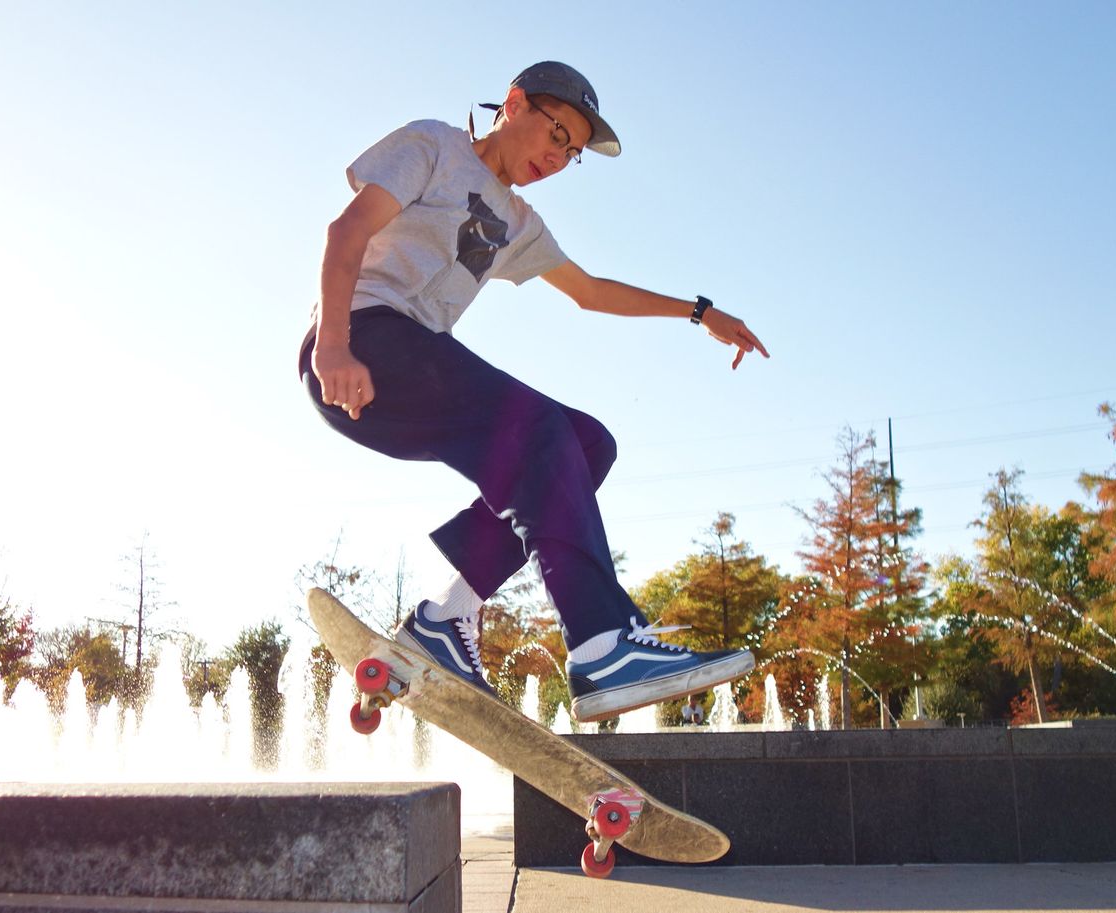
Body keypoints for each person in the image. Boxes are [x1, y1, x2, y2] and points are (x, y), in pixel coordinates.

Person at [300, 62, 769, 723]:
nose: (557, 157)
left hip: (416, 375)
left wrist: (698, 312)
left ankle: (446, 619)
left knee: (584, 445)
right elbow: (346, 231)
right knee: (543, 427)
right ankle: (604, 642)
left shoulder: (519, 222)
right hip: (366, 344)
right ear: (513, 104)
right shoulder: (435, 146)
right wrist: (334, 342)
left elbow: (591, 292)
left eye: (571, 153)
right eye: (555, 134)